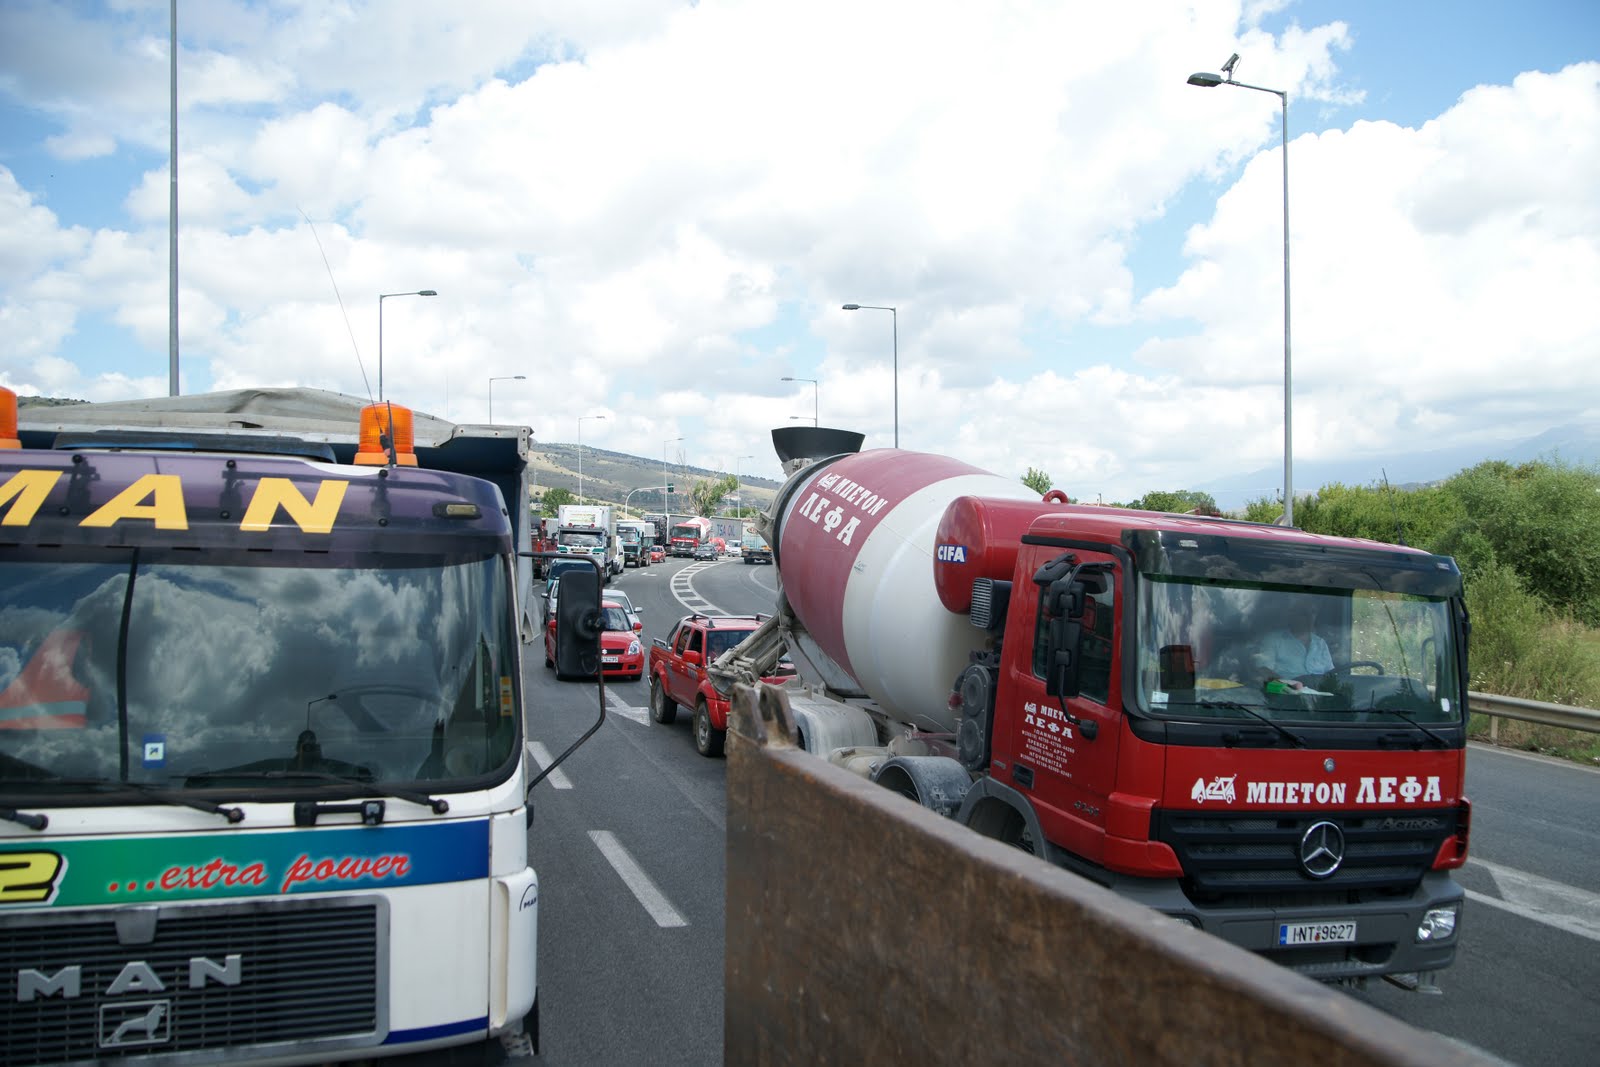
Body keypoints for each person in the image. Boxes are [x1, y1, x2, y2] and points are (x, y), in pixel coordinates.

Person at [1255, 600, 1333, 688]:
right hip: (1284, 697)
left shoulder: (1321, 643)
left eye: (1313, 612)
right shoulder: (1273, 640)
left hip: (1319, 698)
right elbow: (1263, 671)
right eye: (1304, 613)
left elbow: (1331, 675)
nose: (1310, 617)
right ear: (1292, 615)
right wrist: (1289, 687)